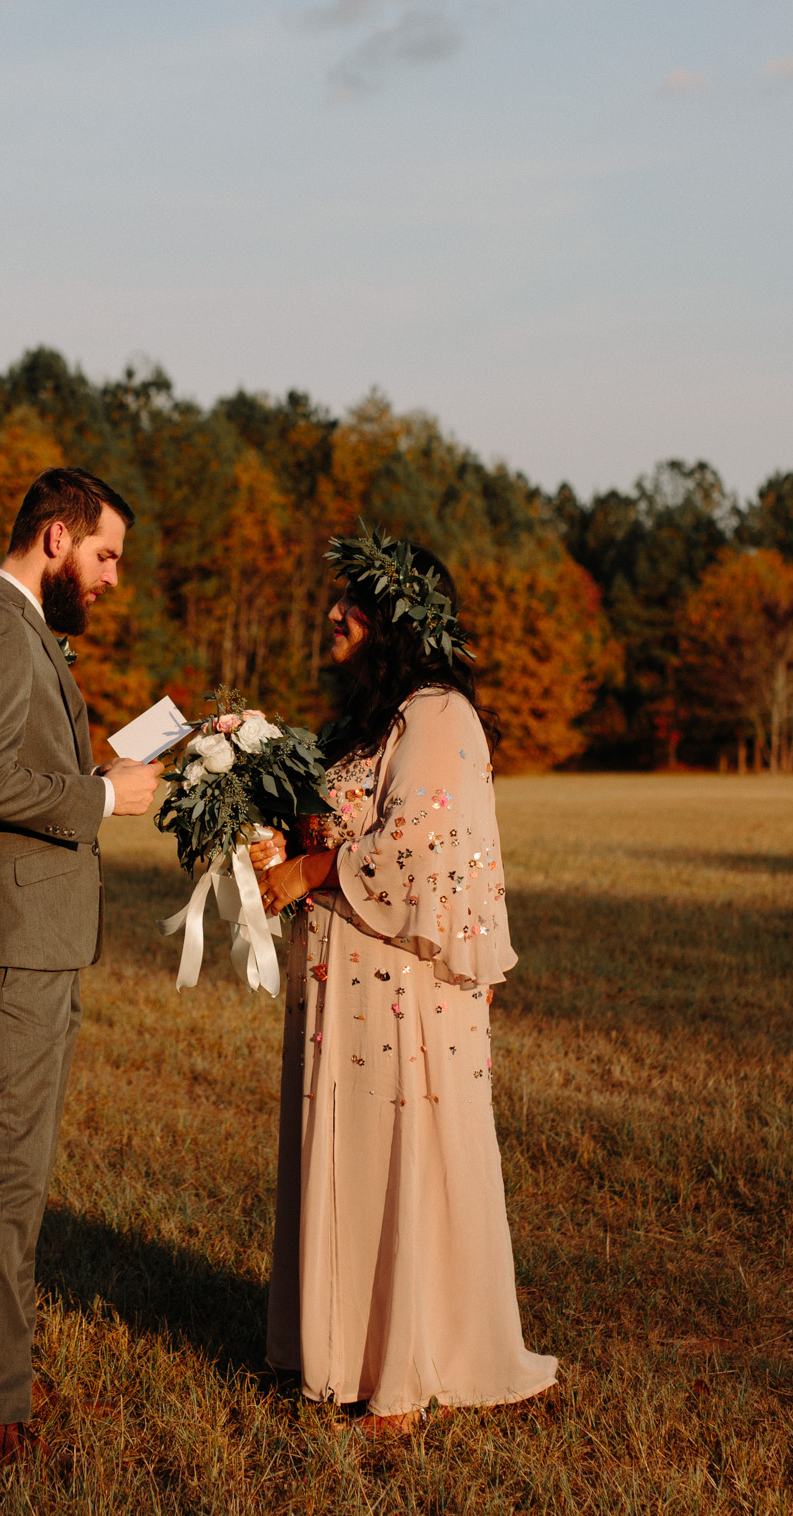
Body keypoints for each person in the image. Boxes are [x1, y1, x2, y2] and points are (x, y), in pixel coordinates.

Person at [251, 530, 559, 1438]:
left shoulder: (438, 715)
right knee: (342, 1148)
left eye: (355, 599)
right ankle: (339, 1347)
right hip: (339, 978)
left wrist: (310, 874)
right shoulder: (362, 721)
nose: (334, 611)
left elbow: (419, 845)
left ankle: (406, 1361)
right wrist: (262, 826)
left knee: (397, 1155)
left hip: (402, 988)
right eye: (337, 596)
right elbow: (327, 821)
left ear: (398, 616)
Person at [0, 466, 161, 1467]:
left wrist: (110, 770)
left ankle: (0, 1379)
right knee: (1, 1173)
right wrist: (104, 800)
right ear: (56, 536)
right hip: (9, 942)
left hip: (33, 937)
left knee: (18, 1174)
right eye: (105, 554)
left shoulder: (15, 629)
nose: (111, 578)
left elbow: (18, 768)